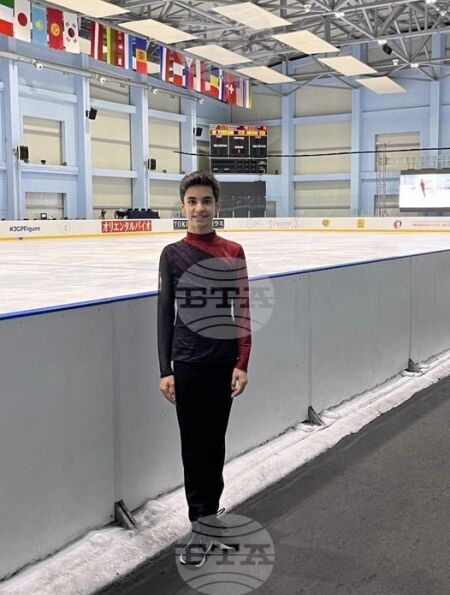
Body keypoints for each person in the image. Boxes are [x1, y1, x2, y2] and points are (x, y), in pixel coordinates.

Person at [157, 171, 252, 567]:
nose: (199, 208)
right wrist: (165, 369)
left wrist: (242, 362)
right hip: (188, 364)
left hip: (222, 363)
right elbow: (165, 314)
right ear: (183, 206)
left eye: (206, 201)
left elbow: (242, 310)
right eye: (192, 201)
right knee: (193, 447)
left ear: (217, 205)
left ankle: (209, 520)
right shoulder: (172, 254)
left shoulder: (233, 251)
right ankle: (200, 523)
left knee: (215, 446)